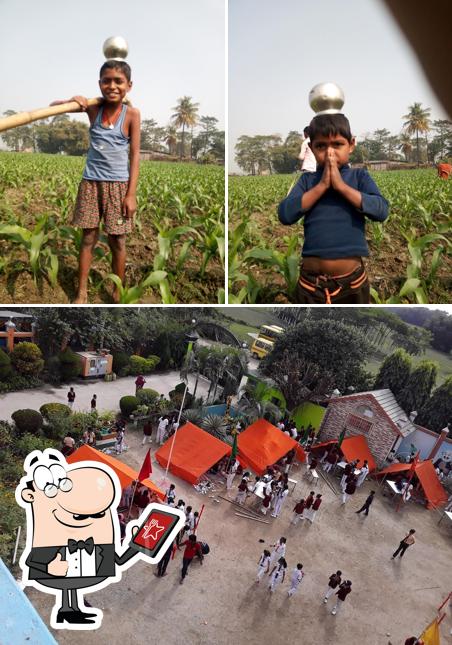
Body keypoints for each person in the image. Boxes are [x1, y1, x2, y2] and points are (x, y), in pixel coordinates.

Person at [52, 60, 140, 304]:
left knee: (117, 240)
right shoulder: (93, 109)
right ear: (99, 84)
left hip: (118, 186)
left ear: (129, 86)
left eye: (118, 81)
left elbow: (134, 156)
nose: (112, 85)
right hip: (91, 183)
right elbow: (53, 108)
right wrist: (73, 100)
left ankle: (116, 291)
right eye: (106, 80)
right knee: (88, 238)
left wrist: (130, 194)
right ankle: (81, 292)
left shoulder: (132, 114)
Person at [278, 113, 389, 304]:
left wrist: (341, 186)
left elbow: (381, 210)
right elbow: (285, 214)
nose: (330, 153)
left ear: (351, 144)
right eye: (321, 146)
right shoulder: (308, 181)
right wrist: (322, 186)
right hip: (311, 286)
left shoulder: (359, 177)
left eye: (337, 144)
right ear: (311, 148)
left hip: (352, 284)